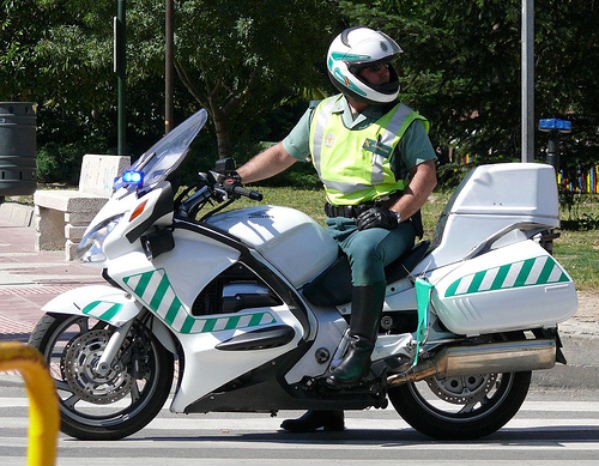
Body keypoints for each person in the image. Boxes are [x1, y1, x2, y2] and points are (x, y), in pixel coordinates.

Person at [235, 26, 437, 432]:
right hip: (337, 222)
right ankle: (326, 401)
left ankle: (360, 357)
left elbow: (426, 176)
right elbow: (281, 155)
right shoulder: (322, 114)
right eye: (374, 68)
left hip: (386, 225)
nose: (385, 74)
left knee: (365, 251)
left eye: (385, 67)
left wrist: (393, 215)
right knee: (292, 271)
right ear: (346, 74)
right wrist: (234, 178)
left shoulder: (404, 121)